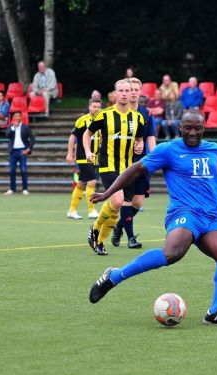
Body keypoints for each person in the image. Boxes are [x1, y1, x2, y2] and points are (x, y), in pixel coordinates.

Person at [87, 109, 217, 326]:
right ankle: (114, 276)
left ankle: (216, 310)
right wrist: (108, 193)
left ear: (204, 127)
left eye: (197, 128)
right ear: (180, 128)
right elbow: (136, 169)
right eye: (188, 128)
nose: (193, 132)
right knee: (173, 253)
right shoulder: (168, 150)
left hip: (211, 217)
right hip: (184, 213)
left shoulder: (215, 150)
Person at [83, 79, 145, 256]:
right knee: (117, 201)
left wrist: (139, 145)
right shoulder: (104, 115)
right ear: (115, 94)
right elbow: (87, 134)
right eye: (121, 91)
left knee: (117, 206)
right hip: (108, 166)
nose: (125, 94)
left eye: (128, 91)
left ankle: (99, 240)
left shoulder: (138, 118)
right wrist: (88, 152)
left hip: (128, 169)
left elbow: (139, 139)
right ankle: (95, 230)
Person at [111, 77, 157, 250]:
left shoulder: (146, 114)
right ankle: (130, 238)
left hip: (142, 162)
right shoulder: (118, 113)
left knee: (138, 203)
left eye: (137, 89)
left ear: (139, 92)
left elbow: (150, 137)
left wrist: (155, 156)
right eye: (130, 89)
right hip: (124, 162)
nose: (133, 92)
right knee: (127, 199)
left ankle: (119, 227)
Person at [65, 98, 102, 220]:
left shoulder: (102, 119)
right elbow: (72, 137)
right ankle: (91, 210)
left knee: (81, 184)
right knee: (92, 181)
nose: (96, 109)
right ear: (89, 107)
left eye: (98, 107)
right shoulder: (82, 120)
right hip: (83, 156)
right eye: (94, 106)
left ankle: (72, 210)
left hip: (95, 157)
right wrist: (70, 153)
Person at [4, 111, 35, 196]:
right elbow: (7, 135)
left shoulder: (26, 127)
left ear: (21, 117)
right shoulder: (11, 127)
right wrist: (13, 127)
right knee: (11, 171)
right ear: (13, 118)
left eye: (18, 116)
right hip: (13, 151)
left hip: (22, 151)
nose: (17, 118)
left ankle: (25, 189)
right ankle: (12, 189)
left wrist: (28, 149)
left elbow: (32, 139)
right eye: (15, 116)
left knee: (23, 170)